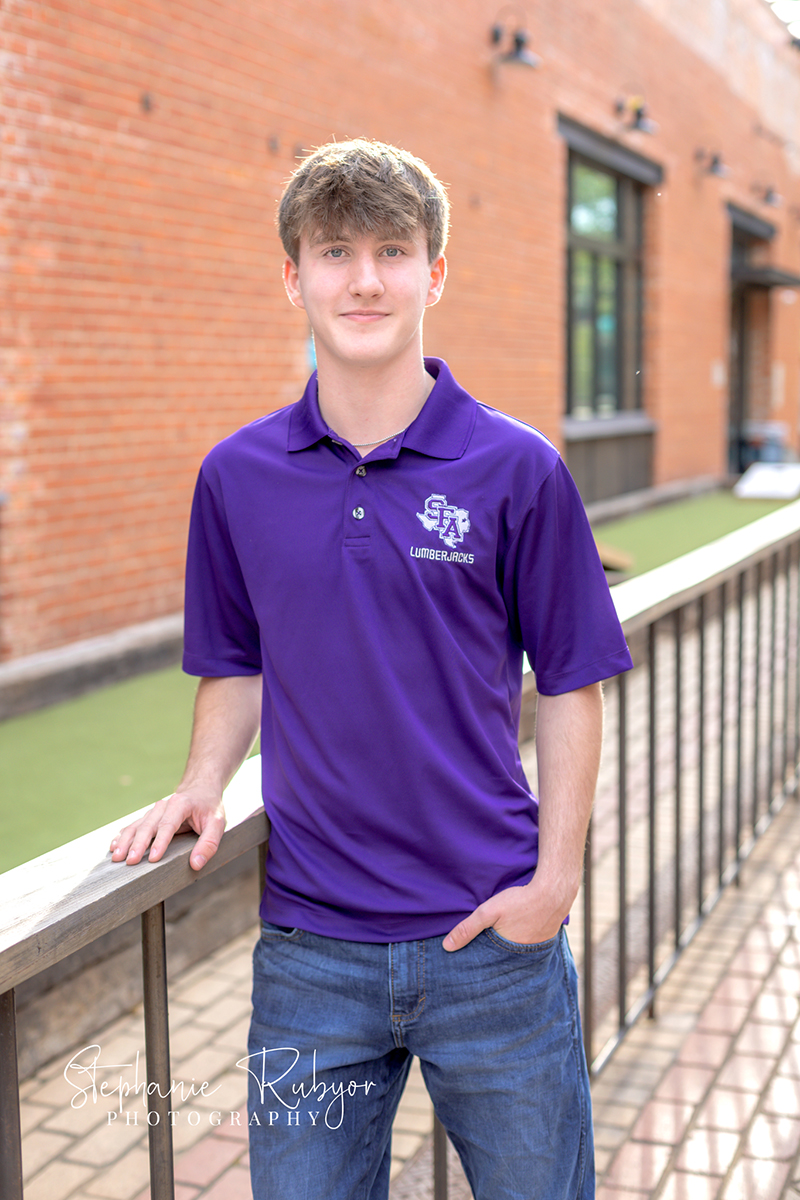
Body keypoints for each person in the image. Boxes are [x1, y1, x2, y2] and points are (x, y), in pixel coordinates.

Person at [111, 138, 633, 1200]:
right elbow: (235, 664)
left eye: (391, 251)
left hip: (491, 940)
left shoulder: (516, 467)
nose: (362, 279)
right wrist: (201, 786)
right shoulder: (236, 476)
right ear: (292, 277)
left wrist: (556, 883)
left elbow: (569, 682)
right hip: (309, 950)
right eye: (334, 250)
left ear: (432, 274)